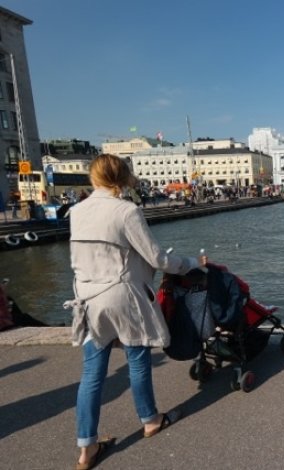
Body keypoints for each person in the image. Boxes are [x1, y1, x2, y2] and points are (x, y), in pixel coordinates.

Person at [67, 154, 206, 469]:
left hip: (88, 297)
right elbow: (157, 258)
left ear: (93, 178)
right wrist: (190, 264)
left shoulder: (76, 211)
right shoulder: (127, 211)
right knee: (138, 361)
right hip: (123, 296)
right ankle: (151, 419)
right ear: (124, 177)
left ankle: (86, 448)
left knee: (91, 374)